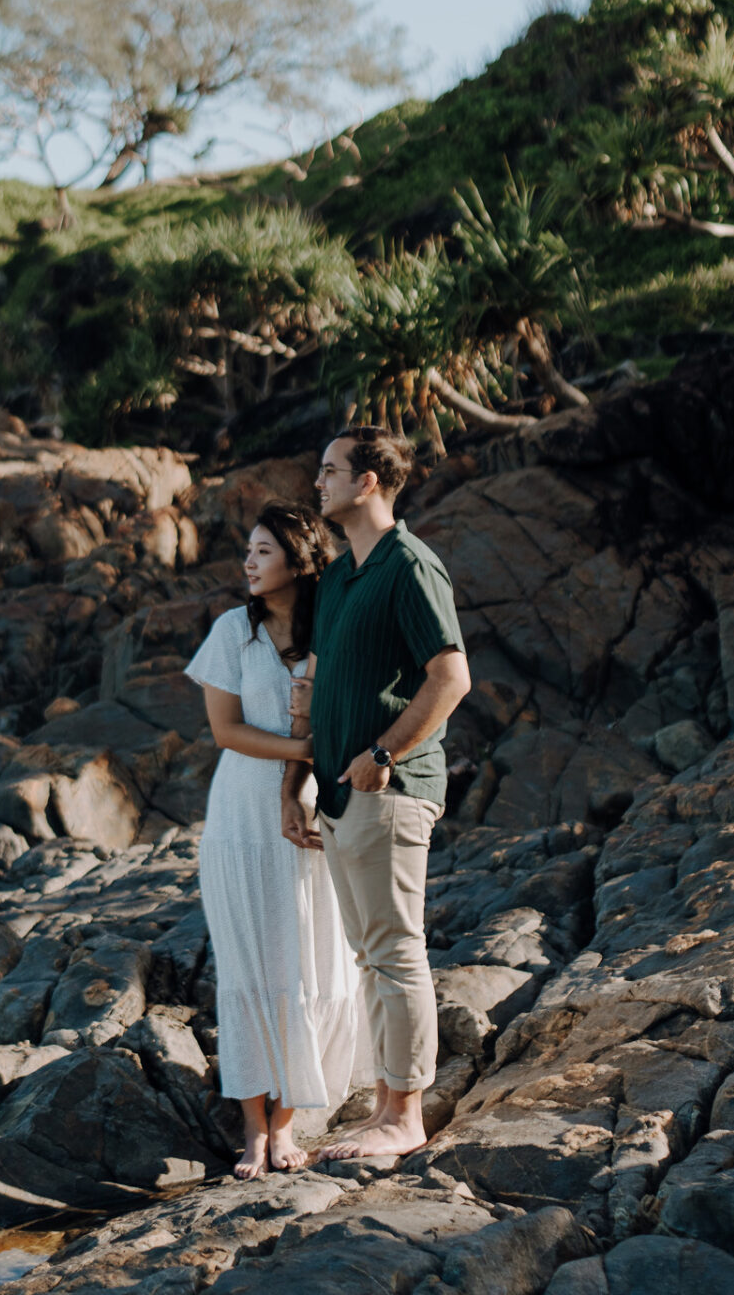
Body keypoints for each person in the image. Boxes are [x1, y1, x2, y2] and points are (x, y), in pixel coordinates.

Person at [281, 429, 470, 1161]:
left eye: (329, 471)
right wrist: (297, 784)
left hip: (390, 788)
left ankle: (406, 1114)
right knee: (371, 955)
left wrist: (383, 752)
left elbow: (450, 678)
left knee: (394, 951)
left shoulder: (410, 565)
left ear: (367, 483)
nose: (317, 483)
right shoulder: (337, 578)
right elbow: (319, 685)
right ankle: (390, 1103)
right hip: (335, 793)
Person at [184, 500, 362, 1179]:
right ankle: (254, 1132)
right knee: (250, 968)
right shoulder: (234, 631)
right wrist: (304, 742)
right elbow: (226, 732)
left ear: (299, 559)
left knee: (307, 959)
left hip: (315, 812)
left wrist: (311, 757)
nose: (249, 563)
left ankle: (286, 1123)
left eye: (262, 551)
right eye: (250, 551)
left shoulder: (333, 628)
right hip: (239, 814)